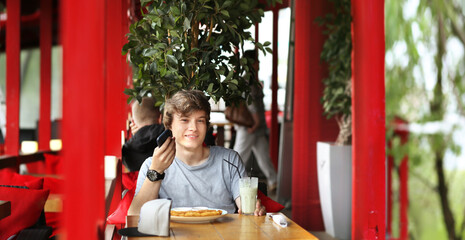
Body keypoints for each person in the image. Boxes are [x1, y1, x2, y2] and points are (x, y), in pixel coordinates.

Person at [128, 90, 266, 216]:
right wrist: (156, 172)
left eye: (200, 120)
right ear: (169, 125)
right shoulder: (152, 165)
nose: (193, 128)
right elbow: (134, 217)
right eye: (185, 120)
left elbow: (246, 205)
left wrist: (255, 209)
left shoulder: (230, 160)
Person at [233, 50, 278, 192]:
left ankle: (274, 181)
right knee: (238, 156)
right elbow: (252, 105)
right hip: (250, 126)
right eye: (256, 60)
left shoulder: (247, 79)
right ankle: (228, 181)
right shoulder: (249, 81)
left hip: (252, 126)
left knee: (263, 155)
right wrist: (257, 122)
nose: (258, 63)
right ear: (251, 63)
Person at [122, 97, 165, 172]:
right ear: (160, 118)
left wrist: (137, 135)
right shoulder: (170, 136)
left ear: (133, 122)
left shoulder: (126, 154)